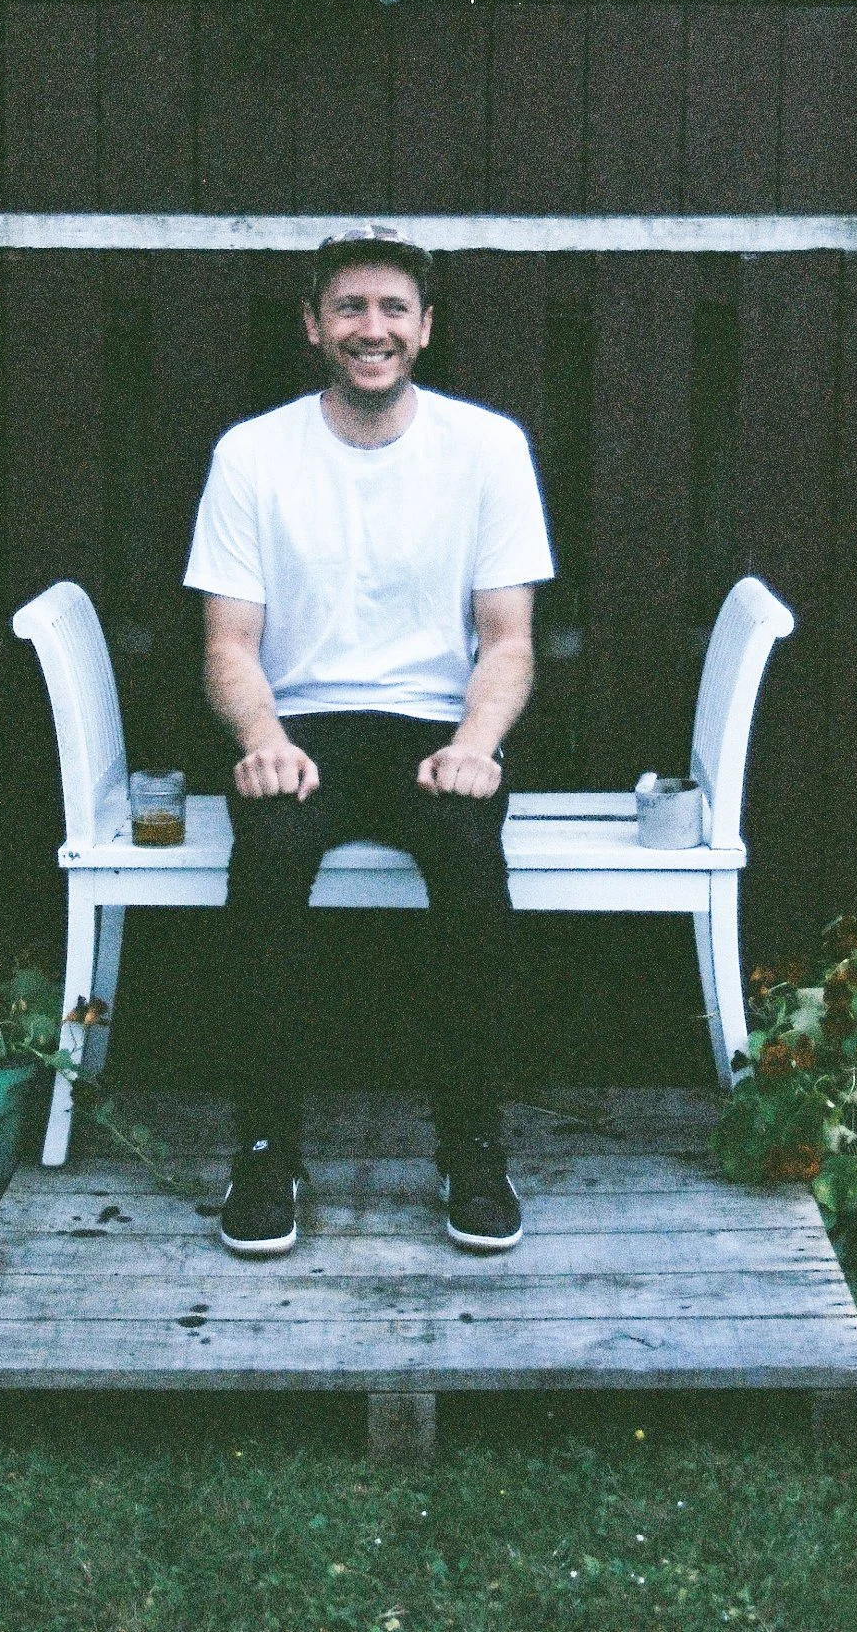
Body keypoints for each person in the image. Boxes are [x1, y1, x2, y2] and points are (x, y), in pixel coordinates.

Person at [183, 225, 555, 1257]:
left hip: (435, 728)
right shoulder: (252, 454)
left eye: (393, 308)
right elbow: (228, 643)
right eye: (348, 306)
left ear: (425, 328)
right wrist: (261, 737)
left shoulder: (487, 447)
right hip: (300, 726)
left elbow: (508, 638)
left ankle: (472, 1148)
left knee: (470, 859)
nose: (371, 327)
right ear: (313, 325)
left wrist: (476, 742)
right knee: (266, 859)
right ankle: (265, 1149)